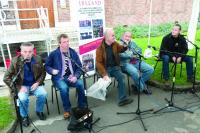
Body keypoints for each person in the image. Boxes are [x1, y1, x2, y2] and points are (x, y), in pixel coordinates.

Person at [3, 42, 47, 127]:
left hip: (35, 85)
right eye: (25, 51)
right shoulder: (15, 61)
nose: (28, 54)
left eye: (30, 51)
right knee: (23, 99)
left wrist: (37, 83)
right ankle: (24, 116)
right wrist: (18, 88)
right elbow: (6, 78)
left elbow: (43, 73)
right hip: (22, 86)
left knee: (43, 94)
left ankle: (39, 111)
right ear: (21, 52)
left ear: (33, 51)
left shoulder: (38, 59)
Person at [45, 34, 86, 119]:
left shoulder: (72, 52)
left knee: (81, 84)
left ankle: (81, 106)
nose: (67, 44)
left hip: (71, 76)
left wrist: (76, 76)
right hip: (59, 77)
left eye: (68, 41)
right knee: (64, 88)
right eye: (64, 42)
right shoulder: (54, 54)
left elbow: (79, 67)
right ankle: (67, 110)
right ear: (59, 43)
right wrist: (52, 71)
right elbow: (46, 66)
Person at [96, 29, 133, 106]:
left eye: (114, 35)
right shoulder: (100, 49)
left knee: (122, 78)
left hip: (114, 68)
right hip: (105, 69)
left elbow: (121, 49)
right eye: (112, 35)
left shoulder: (115, 44)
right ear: (106, 37)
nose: (114, 37)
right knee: (107, 81)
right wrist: (104, 74)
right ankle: (102, 90)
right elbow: (98, 63)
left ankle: (122, 99)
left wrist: (125, 46)